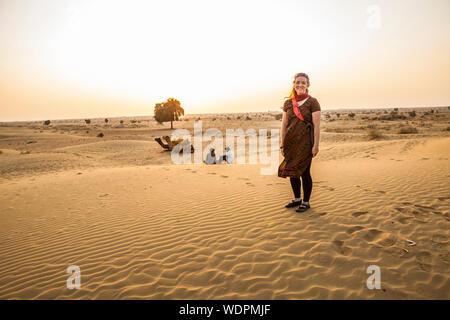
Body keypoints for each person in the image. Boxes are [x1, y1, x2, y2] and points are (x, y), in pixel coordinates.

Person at [278, 73, 321, 212]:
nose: (300, 85)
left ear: (307, 85)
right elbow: (284, 125)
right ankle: (297, 199)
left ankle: (306, 202)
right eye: (298, 82)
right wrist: (282, 143)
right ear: (294, 84)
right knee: (292, 171)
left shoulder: (313, 102)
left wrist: (316, 145)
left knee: (305, 172)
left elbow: (317, 126)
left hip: (306, 143)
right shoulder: (288, 103)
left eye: (303, 82)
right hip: (291, 142)